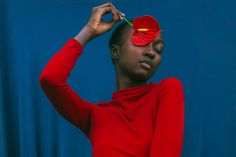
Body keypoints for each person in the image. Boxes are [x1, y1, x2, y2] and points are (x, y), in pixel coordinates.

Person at [39, 3, 185, 157]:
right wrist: (89, 30)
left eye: (158, 49)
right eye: (142, 42)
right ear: (116, 52)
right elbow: (50, 79)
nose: (151, 52)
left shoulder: (167, 91)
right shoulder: (96, 117)